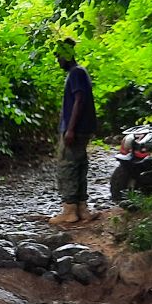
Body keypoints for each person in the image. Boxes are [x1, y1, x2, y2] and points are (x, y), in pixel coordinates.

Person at [50, 38, 98, 224]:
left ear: (67, 55)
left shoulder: (76, 73)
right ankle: (81, 208)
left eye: (59, 57)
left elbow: (79, 100)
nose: (58, 61)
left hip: (75, 129)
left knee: (67, 166)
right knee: (79, 164)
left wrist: (70, 129)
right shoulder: (79, 72)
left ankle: (69, 209)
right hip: (82, 128)